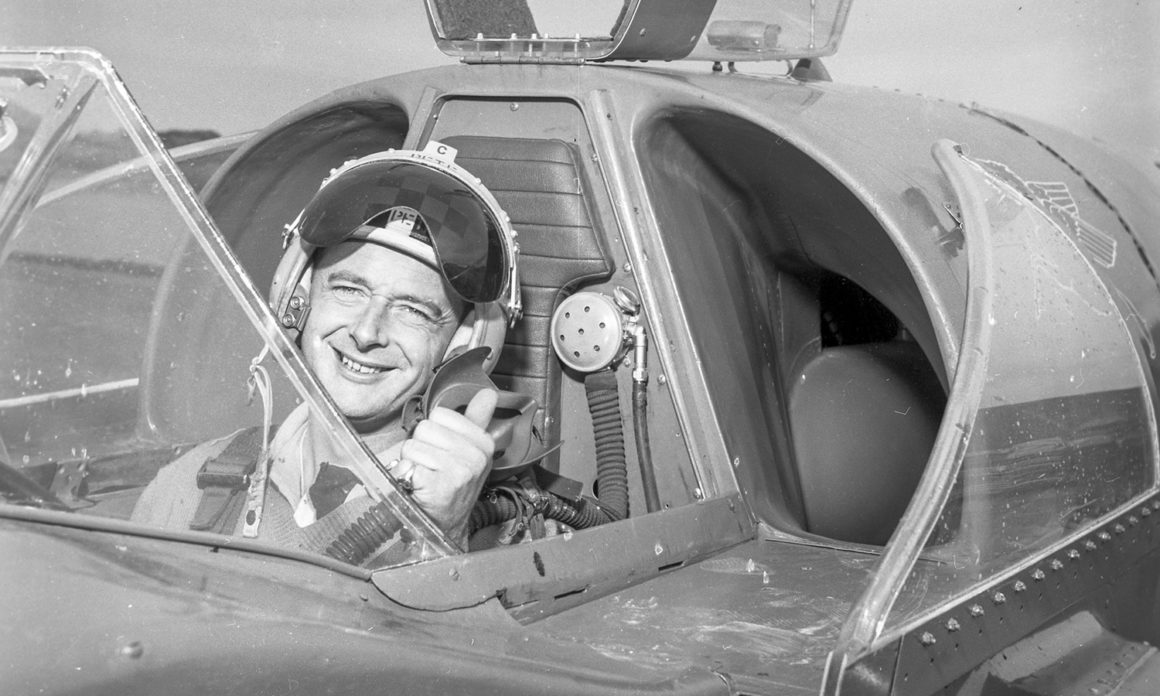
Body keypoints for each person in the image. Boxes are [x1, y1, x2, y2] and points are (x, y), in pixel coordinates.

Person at [132, 141, 524, 556]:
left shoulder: (510, 534)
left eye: (413, 310)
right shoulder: (185, 489)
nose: (367, 332)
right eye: (349, 289)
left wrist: (445, 534)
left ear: (461, 347)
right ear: (297, 299)